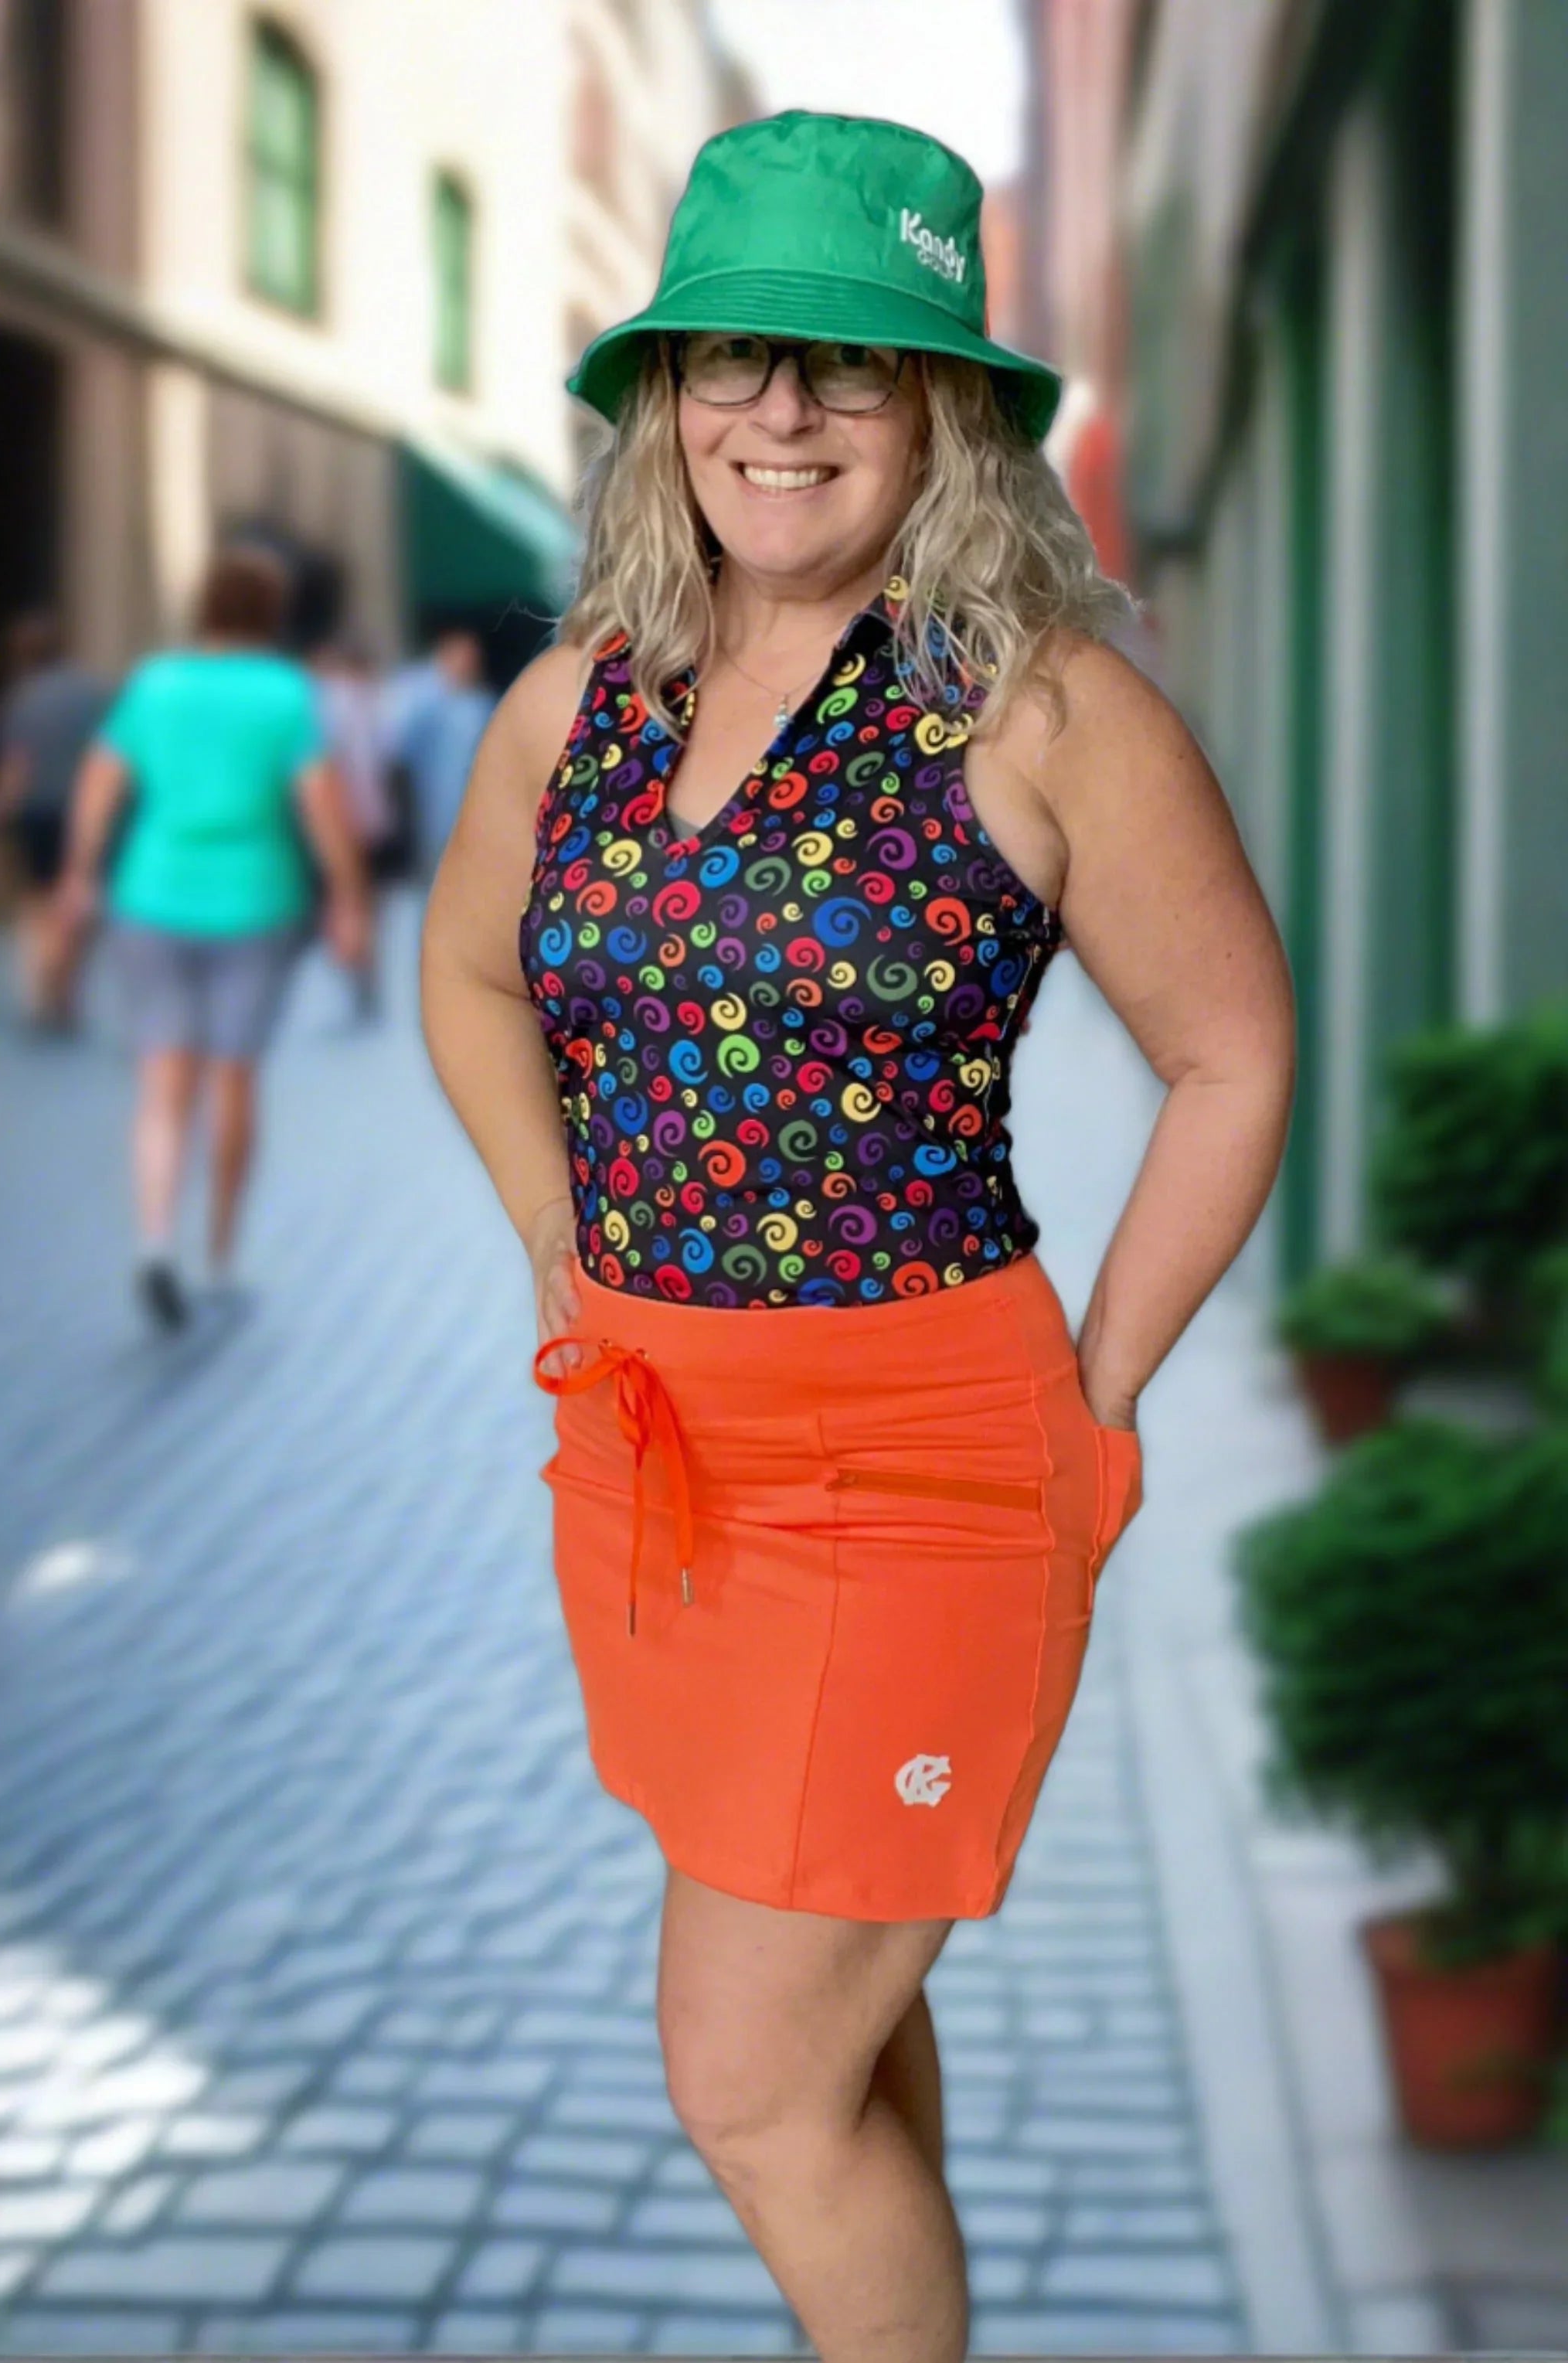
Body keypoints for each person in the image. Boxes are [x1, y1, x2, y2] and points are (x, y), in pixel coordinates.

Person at [420, 111, 1295, 2363]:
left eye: (845, 363)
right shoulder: (576, 700)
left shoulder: (1038, 703)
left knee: (742, 2075)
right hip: (644, 1461)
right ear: (662, 402)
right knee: (827, 2016)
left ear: (947, 416)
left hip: (915, 1478)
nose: (776, 412)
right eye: (725, 357)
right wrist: (549, 1225)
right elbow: (469, 972)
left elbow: (1229, 1053)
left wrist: (1086, 1398)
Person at [56, 546, 372, 1331]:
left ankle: (155, 1243)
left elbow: (100, 782)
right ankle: (220, 1258)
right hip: (256, 901)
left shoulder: (154, 684)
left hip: (151, 895)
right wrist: (347, 897)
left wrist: (80, 871)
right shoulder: (285, 692)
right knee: (234, 1079)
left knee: (164, 1084)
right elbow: (321, 805)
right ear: (272, 614)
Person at [0, 612, 113, 1028]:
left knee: (36, 899)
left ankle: (42, 979)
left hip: (34, 811)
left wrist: (5, 806)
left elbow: (15, 764)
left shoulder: (21, 699)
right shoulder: (92, 693)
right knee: (77, 891)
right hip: (81, 807)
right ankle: (65, 982)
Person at [311, 634, 400, 1020]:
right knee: (364, 903)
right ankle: (365, 981)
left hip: (338, 817)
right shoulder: (374, 701)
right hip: (371, 817)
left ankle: (357, 978)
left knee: (344, 899)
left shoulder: (328, 703)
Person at [383, 625, 495, 876]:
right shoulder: (415, 692)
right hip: (423, 816)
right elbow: (394, 752)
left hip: (469, 815)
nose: (467, 663)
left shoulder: (479, 702)